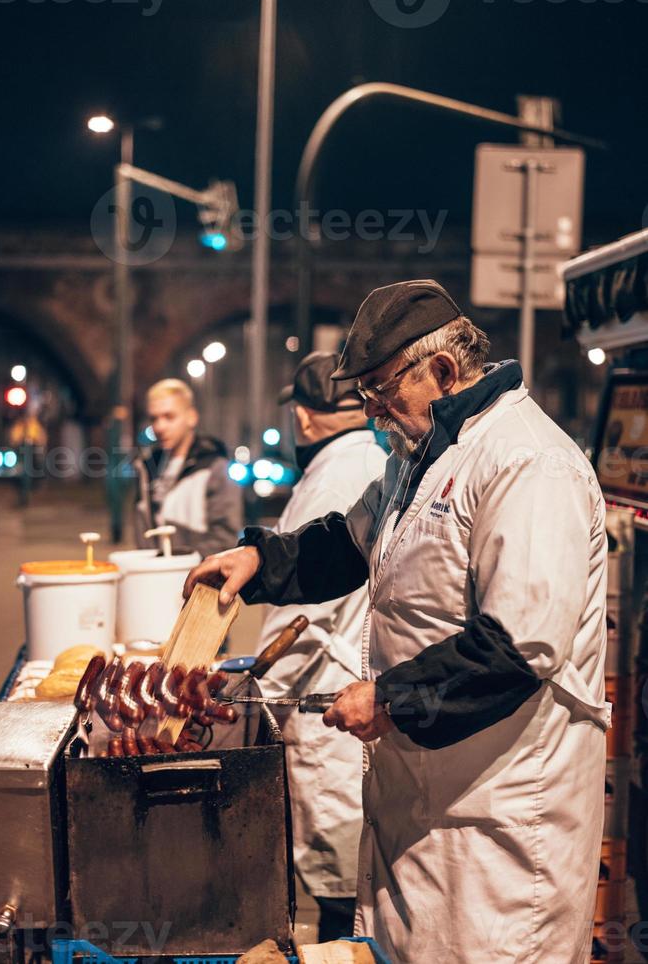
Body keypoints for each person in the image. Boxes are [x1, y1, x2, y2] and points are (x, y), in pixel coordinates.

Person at [184, 280, 609, 963]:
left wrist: (390, 698)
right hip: (425, 800)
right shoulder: (421, 455)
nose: (376, 413)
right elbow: (349, 544)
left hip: (501, 819)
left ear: (443, 369)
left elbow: (522, 648)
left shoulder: (529, 463)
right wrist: (257, 564)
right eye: (368, 399)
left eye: (384, 393)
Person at [256, 351, 386, 942]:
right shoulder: (367, 457)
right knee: (344, 868)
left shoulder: (336, 470)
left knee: (340, 879)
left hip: (327, 697)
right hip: (345, 686)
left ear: (304, 419)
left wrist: (255, 693)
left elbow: (300, 611)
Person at [134, 378, 242, 558]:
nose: (160, 427)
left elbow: (225, 539)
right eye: (154, 418)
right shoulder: (148, 467)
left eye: (169, 417)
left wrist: (179, 562)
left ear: (191, 417)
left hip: (196, 581)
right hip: (155, 578)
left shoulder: (214, 468)